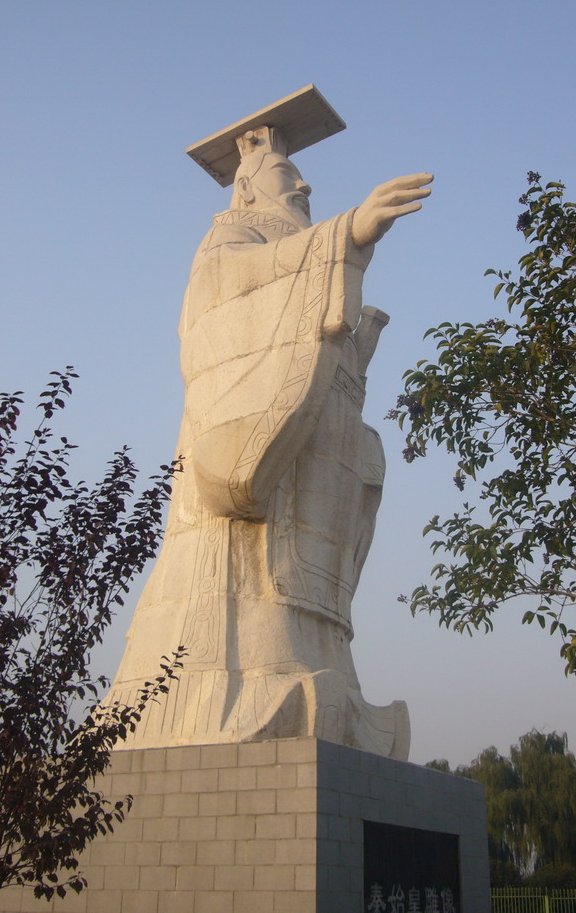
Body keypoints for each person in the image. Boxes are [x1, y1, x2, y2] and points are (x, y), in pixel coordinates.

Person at [106, 120, 432, 760]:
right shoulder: (226, 242)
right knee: (247, 595)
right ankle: (233, 692)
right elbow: (222, 308)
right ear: (249, 192)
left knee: (300, 592)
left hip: (312, 477)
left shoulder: (298, 257)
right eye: (288, 177)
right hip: (245, 492)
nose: (304, 183)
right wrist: (344, 235)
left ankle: (317, 679)